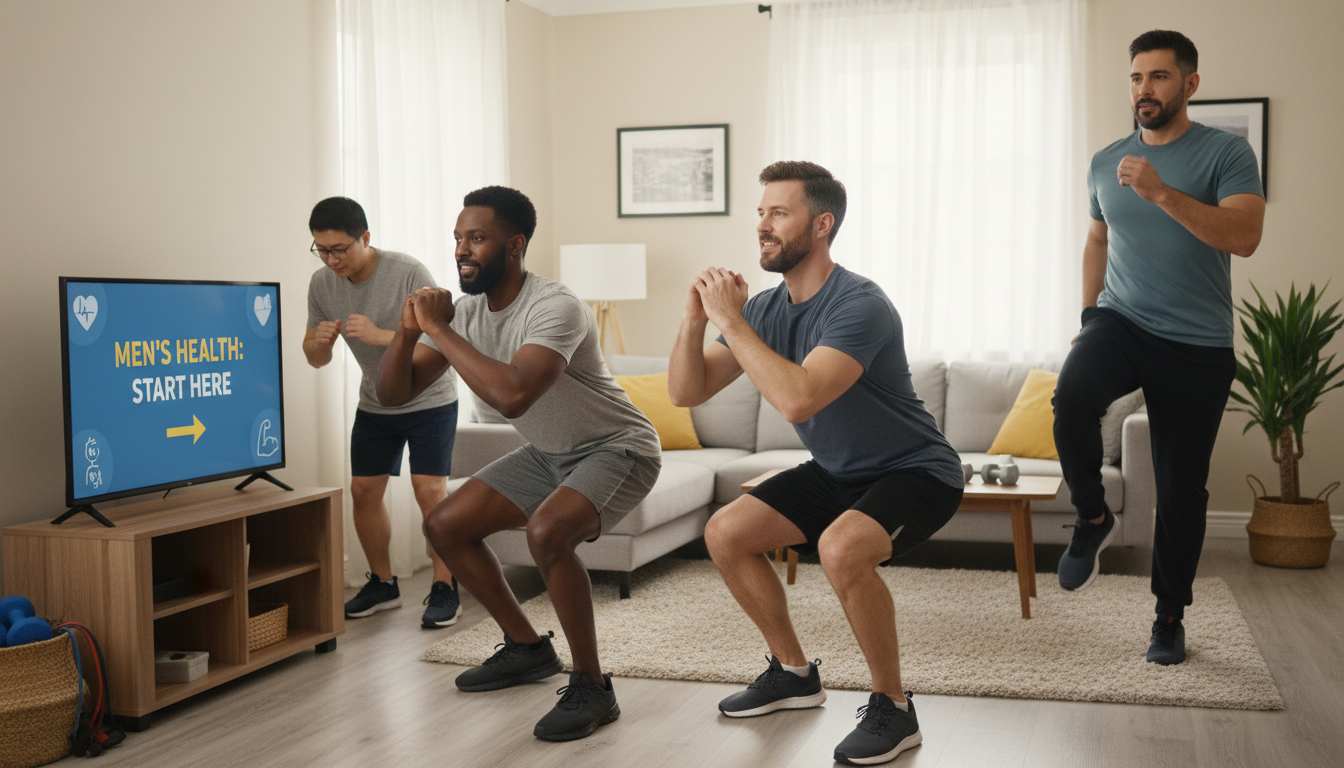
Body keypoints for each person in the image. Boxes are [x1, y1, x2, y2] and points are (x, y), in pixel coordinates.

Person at [668, 161, 965, 766]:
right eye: (760, 213)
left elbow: (799, 395)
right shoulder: (770, 312)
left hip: (916, 470)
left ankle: (894, 707)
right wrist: (697, 318)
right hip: (838, 470)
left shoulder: (860, 304)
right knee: (726, 532)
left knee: (842, 548)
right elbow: (685, 392)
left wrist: (730, 319)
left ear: (822, 224)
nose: (763, 227)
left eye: (779, 213)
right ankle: (795, 673)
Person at [377, 186, 661, 742]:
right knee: (445, 525)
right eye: (458, 238)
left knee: (549, 533)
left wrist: (438, 330)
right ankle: (528, 649)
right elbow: (393, 393)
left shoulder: (555, 306)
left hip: (618, 447)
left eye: (477, 238)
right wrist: (410, 331)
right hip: (549, 452)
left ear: (515, 245)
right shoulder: (466, 314)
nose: (462, 250)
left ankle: (591, 686)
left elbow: (513, 397)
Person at [1053, 30, 1265, 665]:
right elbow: (1097, 238)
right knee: (1070, 399)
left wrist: (1163, 193)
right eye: (1137, 78)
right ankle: (1092, 518)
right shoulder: (1105, 161)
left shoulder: (1226, 155)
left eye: (1160, 77)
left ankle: (1168, 616)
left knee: (1180, 490)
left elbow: (1246, 236)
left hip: (1197, 343)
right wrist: (1090, 312)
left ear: (1190, 85)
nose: (1145, 90)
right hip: (1121, 320)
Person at [303, 196, 463, 629]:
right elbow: (315, 358)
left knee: (429, 492)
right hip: (376, 402)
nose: (331, 259)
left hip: (429, 397)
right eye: (322, 249)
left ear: (366, 238)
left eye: (340, 249)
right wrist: (318, 344)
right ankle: (383, 583)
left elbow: (439, 341)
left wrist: (380, 335)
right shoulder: (321, 285)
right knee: (363, 491)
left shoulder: (408, 272)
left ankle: (446, 585)